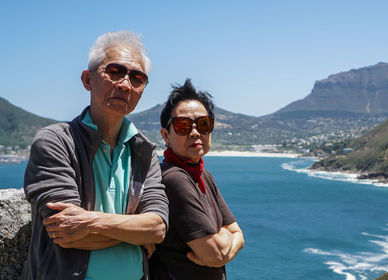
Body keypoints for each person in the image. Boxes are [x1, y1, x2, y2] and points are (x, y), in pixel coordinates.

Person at [22, 31, 169, 280]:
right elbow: (65, 232)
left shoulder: (144, 151)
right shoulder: (56, 141)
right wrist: (133, 232)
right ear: (87, 79)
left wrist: (90, 221)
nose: (125, 84)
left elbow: (156, 228)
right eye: (114, 71)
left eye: (137, 78)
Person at [149, 79, 244, 279]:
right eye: (183, 126)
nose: (195, 132)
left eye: (203, 124)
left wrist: (223, 242)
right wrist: (225, 240)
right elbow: (215, 253)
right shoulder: (173, 178)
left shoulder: (203, 176)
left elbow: (239, 235)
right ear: (166, 135)